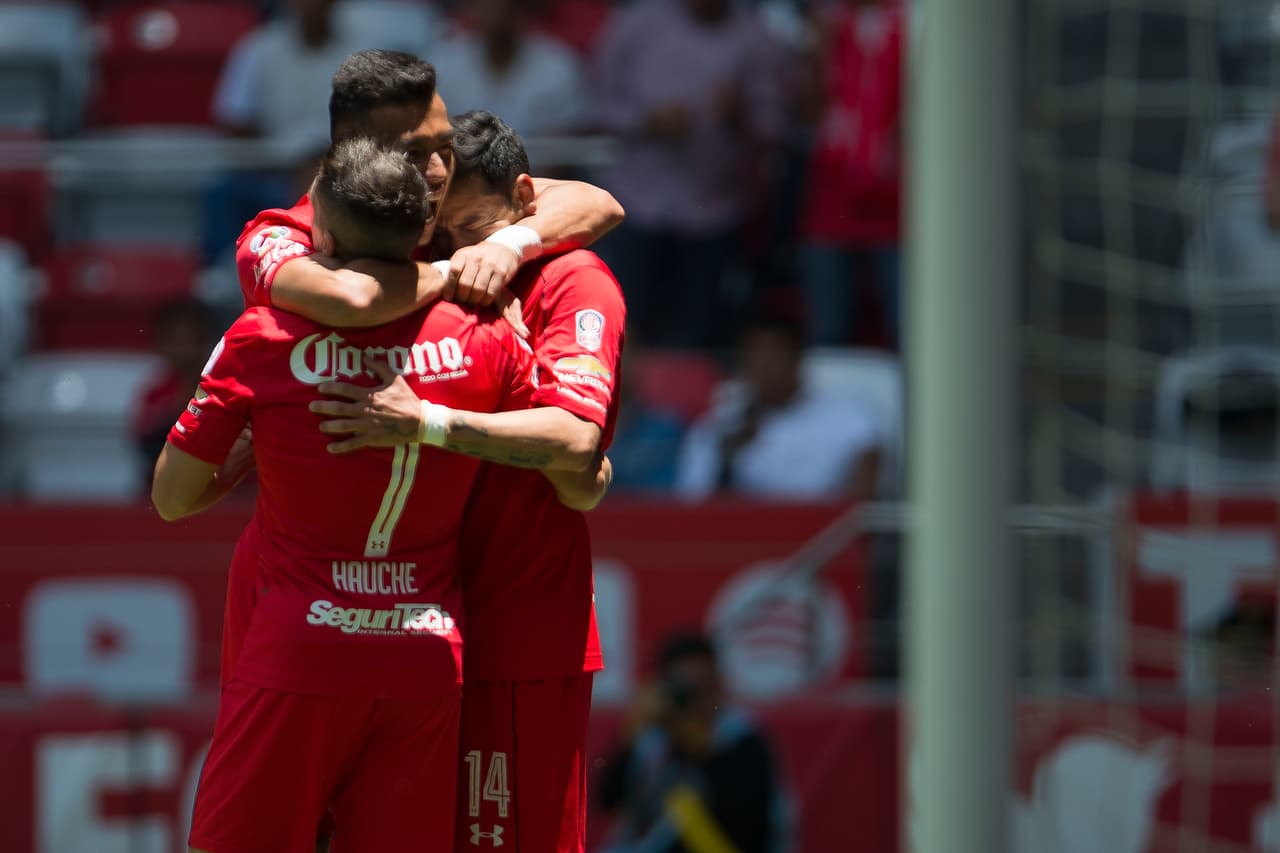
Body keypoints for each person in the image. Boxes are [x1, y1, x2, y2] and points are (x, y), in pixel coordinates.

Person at [153, 138, 568, 853]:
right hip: (427, 654)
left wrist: (252, 457)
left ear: (329, 234)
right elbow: (570, 452)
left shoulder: (265, 333)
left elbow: (172, 496)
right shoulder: (488, 328)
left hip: (302, 650)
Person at [218, 48, 624, 688]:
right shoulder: (284, 235)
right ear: (356, 153)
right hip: (305, 596)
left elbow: (596, 201)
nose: (436, 171)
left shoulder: (457, 218)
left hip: (439, 607)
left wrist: (508, 241)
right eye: (415, 153)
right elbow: (353, 298)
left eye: (443, 147)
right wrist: (453, 271)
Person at [309, 110, 626, 853]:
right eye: (442, 238)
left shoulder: (574, 280)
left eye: (474, 230)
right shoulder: (413, 275)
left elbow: (577, 446)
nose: (459, 260)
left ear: (524, 199)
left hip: (516, 629)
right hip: (408, 629)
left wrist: (427, 422)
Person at [592, 0, 787, 348]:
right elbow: (599, 102)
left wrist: (739, 115)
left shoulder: (757, 38)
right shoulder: (638, 25)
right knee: (628, 325)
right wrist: (647, 120)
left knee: (697, 336)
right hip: (638, 204)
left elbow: (775, 126)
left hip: (713, 212)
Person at [596, 632, 789, 853]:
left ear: (718, 684)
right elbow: (606, 799)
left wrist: (701, 750)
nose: (697, 702)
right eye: (685, 692)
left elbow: (749, 828)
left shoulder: (743, 740)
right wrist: (631, 733)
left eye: (703, 687)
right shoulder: (653, 741)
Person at [204, 0, 365, 262]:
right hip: (272, 171)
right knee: (221, 193)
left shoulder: (362, 51)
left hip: (344, 173)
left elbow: (376, 124)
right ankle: (223, 280)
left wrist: (323, 166)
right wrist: (281, 163)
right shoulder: (258, 48)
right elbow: (235, 119)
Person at [674, 313, 883, 500]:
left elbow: (863, 499)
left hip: (828, 536)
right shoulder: (717, 429)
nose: (766, 370)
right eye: (755, 360)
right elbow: (697, 509)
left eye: (774, 358)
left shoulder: (848, 416)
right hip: (749, 538)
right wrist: (727, 461)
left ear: (797, 359)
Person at [798, 0, 905, 347]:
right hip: (834, 190)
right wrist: (815, 59)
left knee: (904, 323)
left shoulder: (914, 23)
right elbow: (807, 111)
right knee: (829, 326)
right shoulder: (827, 24)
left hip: (897, 198)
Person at [432, 0, 589, 135]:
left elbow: (558, 152)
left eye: (505, 5)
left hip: (534, 169)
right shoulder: (444, 63)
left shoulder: (558, 67)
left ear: (522, 8)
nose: (497, 13)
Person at [131, 299, 218, 480]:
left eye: (194, 340)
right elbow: (148, 447)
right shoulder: (155, 395)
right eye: (177, 341)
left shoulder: (226, 389)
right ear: (161, 345)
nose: (186, 350)